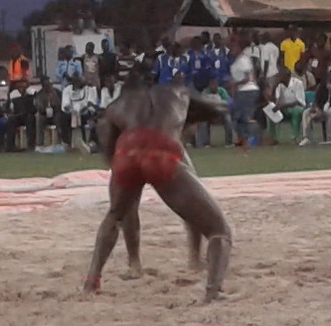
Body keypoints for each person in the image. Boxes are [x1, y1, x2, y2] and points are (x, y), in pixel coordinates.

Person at [83, 79, 233, 302]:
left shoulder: (117, 105)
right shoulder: (178, 94)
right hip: (162, 151)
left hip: (126, 151)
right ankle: (213, 290)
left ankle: (92, 279)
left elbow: (108, 149)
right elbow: (217, 111)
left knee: (115, 215)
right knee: (219, 230)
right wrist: (184, 122)